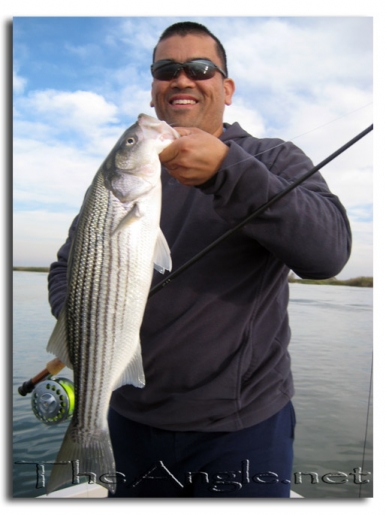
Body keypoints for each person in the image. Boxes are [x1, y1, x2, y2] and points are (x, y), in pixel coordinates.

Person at [48, 21, 352, 497]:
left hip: (242, 429)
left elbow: (328, 253)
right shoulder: (111, 188)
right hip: (128, 421)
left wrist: (229, 171)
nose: (183, 79)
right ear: (153, 91)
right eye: (167, 69)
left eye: (201, 68)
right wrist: (83, 322)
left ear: (226, 88)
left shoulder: (273, 159)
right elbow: (68, 265)